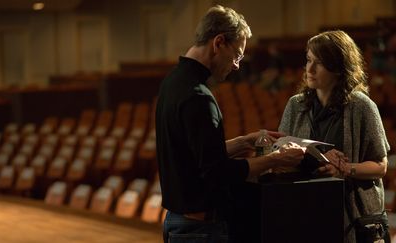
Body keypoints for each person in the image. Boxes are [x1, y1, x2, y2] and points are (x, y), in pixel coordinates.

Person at [156, 5, 305, 243]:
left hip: (178, 221)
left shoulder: (172, 83)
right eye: (236, 55)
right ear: (218, 43)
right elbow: (218, 172)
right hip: (199, 228)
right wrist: (275, 160)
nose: (237, 65)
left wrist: (244, 141)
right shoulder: (198, 96)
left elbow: (196, 155)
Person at [278, 30, 390, 243]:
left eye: (318, 63)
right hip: (306, 211)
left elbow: (380, 166)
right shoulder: (296, 105)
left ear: (338, 68)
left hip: (352, 218)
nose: (309, 69)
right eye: (308, 60)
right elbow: (282, 153)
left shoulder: (362, 107)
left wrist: (344, 169)